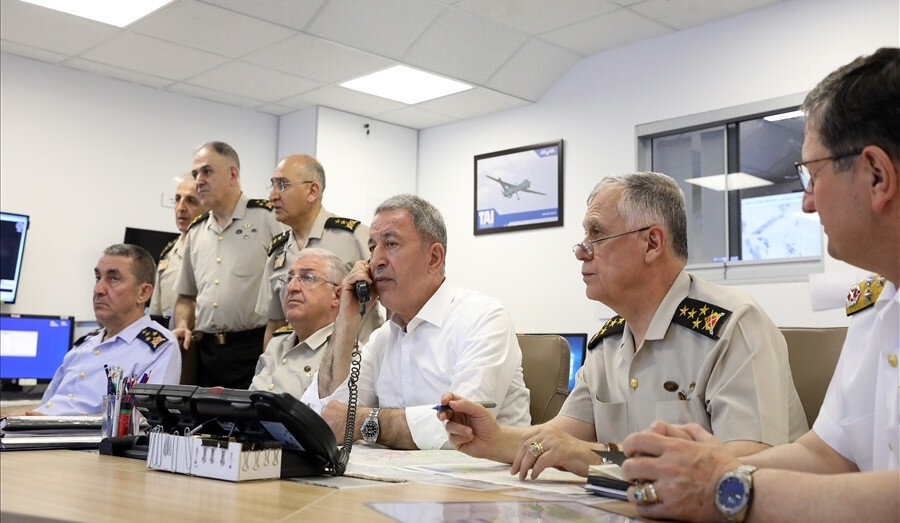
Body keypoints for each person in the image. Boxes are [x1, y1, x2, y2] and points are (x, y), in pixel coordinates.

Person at [619, 47, 899, 522]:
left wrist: (729, 488)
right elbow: (828, 454)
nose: (807, 204)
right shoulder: (882, 306)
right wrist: (701, 469)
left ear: (876, 175)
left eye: (812, 175)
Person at [439, 171, 807, 479]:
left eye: (596, 234)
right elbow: (554, 441)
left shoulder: (733, 326)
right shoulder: (608, 343)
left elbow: (742, 468)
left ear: (651, 243)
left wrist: (590, 457)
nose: (581, 251)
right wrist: (492, 437)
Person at [301, 194, 531, 450]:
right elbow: (325, 415)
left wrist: (361, 422)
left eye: (390, 244)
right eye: (372, 247)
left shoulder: (483, 318)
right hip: (392, 482)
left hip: (479, 484)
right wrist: (346, 320)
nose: (375, 260)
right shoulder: (382, 339)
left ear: (434, 258)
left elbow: (462, 427)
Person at [172, 141, 282, 389]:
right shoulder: (197, 231)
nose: (199, 180)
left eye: (207, 171)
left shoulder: (268, 219)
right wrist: (181, 325)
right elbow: (186, 297)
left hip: (253, 349)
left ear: (233, 174)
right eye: (195, 173)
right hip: (206, 353)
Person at [23, 244, 181, 415]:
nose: (98, 289)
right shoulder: (85, 344)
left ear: (143, 292)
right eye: (98, 278)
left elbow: (142, 422)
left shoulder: (159, 348)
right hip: (39, 433)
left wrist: (49, 424)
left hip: (77, 439)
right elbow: (45, 407)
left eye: (113, 279)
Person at [255, 154, 381, 348]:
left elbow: (393, 301)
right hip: (297, 367)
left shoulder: (354, 238)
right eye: (272, 185)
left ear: (312, 191)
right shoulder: (277, 252)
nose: (272, 196)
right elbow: (275, 324)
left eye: (282, 185)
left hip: (352, 366)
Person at [249, 248, 346, 398]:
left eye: (308, 278)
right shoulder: (277, 344)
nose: (292, 288)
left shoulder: (346, 353)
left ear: (337, 295)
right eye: (289, 279)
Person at [148, 175, 208, 327]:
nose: (181, 208)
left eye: (191, 201)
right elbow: (155, 311)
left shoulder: (215, 250)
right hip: (171, 341)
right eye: (177, 199)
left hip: (204, 342)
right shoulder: (168, 252)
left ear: (207, 207)